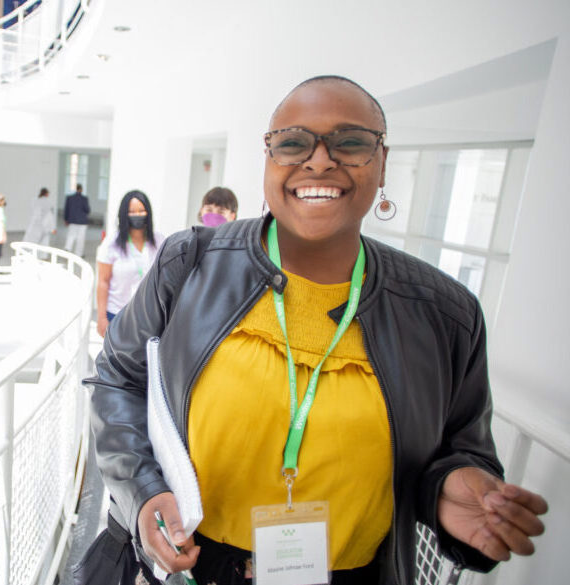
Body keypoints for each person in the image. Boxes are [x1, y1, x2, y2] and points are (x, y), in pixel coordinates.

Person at [82, 76, 548, 585]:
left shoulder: (444, 315)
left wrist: (446, 490)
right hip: (187, 566)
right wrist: (144, 488)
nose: (320, 160)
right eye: (293, 142)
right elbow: (118, 380)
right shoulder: (189, 263)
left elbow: (462, 450)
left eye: (351, 142)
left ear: (383, 162)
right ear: (269, 158)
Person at [95, 190, 164, 338]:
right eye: (132, 212)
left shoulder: (159, 241)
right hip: (117, 314)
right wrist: (101, 318)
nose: (137, 215)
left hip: (148, 316)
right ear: (124, 214)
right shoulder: (111, 244)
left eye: (141, 211)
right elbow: (103, 281)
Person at [64, 183, 91, 257]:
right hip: (82, 222)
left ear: (76, 189)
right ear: (81, 190)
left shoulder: (69, 198)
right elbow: (87, 210)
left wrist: (66, 219)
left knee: (71, 236)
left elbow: (66, 210)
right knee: (80, 239)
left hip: (72, 221)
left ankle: (67, 249)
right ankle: (78, 254)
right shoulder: (84, 199)